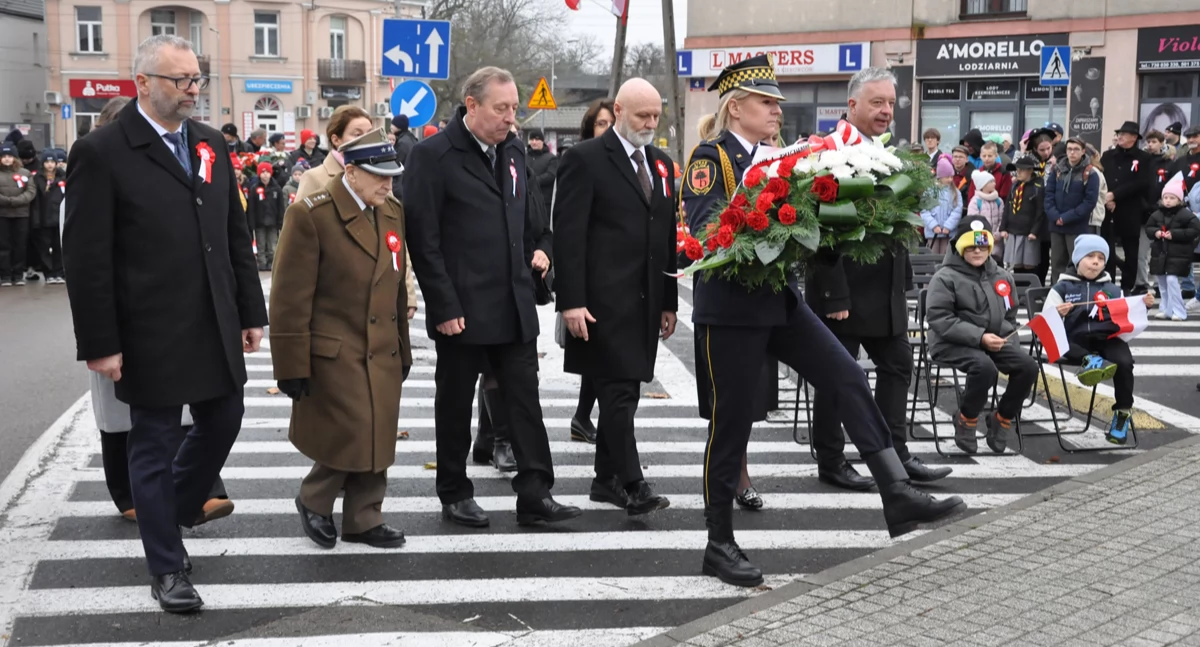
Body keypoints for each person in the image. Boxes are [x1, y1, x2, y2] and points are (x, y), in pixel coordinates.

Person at [682, 57, 964, 588]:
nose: (776, 110)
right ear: (736, 108)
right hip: (732, 312)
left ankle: (896, 490)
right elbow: (706, 232)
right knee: (732, 423)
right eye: (766, 102)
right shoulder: (711, 158)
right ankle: (719, 543)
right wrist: (775, 210)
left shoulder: (782, 157)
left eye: (777, 103)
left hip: (781, 301)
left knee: (847, 376)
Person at [62, 34, 267, 613]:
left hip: (213, 318)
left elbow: (232, 234)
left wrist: (250, 310)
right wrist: (100, 343)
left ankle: (169, 511)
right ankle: (167, 567)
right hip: (147, 328)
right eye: (180, 80)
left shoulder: (208, 142)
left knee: (225, 417)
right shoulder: (102, 151)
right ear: (143, 83)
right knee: (151, 442)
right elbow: (86, 258)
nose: (192, 90)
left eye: (197, 78)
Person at [403, 66, 578, 529]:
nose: (510, 117)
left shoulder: (514, 151)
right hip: (462, 308)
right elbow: (424, 240)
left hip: (514, 304)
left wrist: (542, 250)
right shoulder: (433, 156)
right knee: (455, 403)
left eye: (514, 108)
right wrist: (443, 305)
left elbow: (534, 222)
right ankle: (454, 491)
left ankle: (536, 493)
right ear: (472, 105)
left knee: (524, 401)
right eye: (501, 108)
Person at [809, 66, 953, 488]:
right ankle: (831, 460)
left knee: (898, 365)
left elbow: (896, 223)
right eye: (877, 102)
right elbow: (819, 228)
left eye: (890, 103)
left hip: (884, 290)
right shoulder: (829, 151)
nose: (886, 110)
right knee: (837, 377)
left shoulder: (889, 152)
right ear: (852, 104)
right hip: (843, 290)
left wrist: (902, 280)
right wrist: (833, 293)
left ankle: (896, 456)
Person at [270, 128, 411, 550]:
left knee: (379, 429)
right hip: (334, 347)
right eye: (379, 176)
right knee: (353, 429)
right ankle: (314, 498)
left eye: (392, 176)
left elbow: (396, 286)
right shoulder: (312, 214)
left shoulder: (391, 211)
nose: (387, 184)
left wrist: (403, 346)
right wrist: (290, 365)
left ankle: (364, 517)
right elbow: (289, 298)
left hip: (381, 343)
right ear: (351, 172)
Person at [554, 78, 676, 515]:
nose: (650, 123)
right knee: (617, 394)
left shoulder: (661, 164)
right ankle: (633, 484)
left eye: (656, 116)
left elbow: (666, 235)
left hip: (645, 302)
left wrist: (668, 300)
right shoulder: (585, 159)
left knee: (626, 392)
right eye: (643, 115)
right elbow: (568, 236)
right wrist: (570, 301)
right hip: (600, 304)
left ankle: (604, 480)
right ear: (619, 111)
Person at [927, 217, 1037, 454]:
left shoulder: (1002, 276)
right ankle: (966, 418)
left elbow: (1010, 315)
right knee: (985, 367)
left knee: (1027, 366)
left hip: (992, 341)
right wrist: (980, 337)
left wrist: (1007, 339)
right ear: (960, 247)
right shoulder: (945, 277)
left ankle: (1002, 418)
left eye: (983, 246)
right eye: (971, 247)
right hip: (950, 342)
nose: (978, 251)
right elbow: (939, 318)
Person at [1045, 235, 1155, 444]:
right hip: (1074, 339)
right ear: (1078, 260)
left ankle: (1122, 412)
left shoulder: (1111, 289)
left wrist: (1144, 306)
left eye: (1101, 258)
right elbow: (1045, 322)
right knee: (1062, 343)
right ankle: (1090, 361)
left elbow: (1126, 314)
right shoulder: (1062, 287)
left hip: (1106, 338)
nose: (1096, 262)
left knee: (1124, 362)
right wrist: (1057, 313)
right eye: (1090, 256)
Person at [562, 98, 617, 445]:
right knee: (596, 355)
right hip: (590, 278)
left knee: (601, 359)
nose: (607, 129)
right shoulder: (581, 159)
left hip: (616, 279)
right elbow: (569, 227)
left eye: (612, 123)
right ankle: (584, 418)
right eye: (601, 123)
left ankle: (583, 417)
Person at [1099, 122, 1152, 294]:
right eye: (1119, 133)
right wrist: (1107, 197)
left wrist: (1116, 195)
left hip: (1130, 209)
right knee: (1107, 247)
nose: (1119, 136)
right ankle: (1109, 282)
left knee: (1131, 250)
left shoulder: (1143, 158)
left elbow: (1141, 182)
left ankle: (1127, 285)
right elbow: (1102, 177)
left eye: (1124, 134)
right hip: (1108, 209)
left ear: (1134, 137)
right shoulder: (1108, 155)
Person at [1045, 137, 1100, 284]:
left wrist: (1067, 217)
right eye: (1069, 149)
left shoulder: (1090, 173)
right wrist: (1055, 216)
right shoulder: (1057, 170)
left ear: (1083, 151)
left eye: (1076, 149)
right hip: (1056, 225)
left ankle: (1075, 290)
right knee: (1056, 263)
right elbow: (1048, 195)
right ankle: (1056, 290)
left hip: (1076, 226)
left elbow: (1089, 202)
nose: (1072, 152)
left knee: (1076, 262)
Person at [1147, 174, 1200, 321]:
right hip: (1160, 252)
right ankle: (1166, 309)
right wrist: (1156, 232)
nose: (1168, 201)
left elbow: (1195, 230)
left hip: (1177, 253)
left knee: (1171, 280)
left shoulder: (1185, 214)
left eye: (1172, 198)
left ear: (1179, 200)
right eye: (1166, 197)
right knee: (1162, 282)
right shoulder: (1157, 214)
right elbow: (1149, 227)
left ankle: (1179, 310)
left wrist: (1175, 234)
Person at [1000, 155, 1046, 274]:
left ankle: (1030, 284)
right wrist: (1003, 227)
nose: (1018, 172)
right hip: (1013, 230)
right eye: (1017, 169)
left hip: (1028, 232)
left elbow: (1040, 211)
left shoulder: (1037, 187)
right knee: (1016, 263)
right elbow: (1007, 207)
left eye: (1022, 170)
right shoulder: (1015, 186)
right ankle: (1017, 285)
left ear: (1030, 171)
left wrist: (1035, 231)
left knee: (1029, 264)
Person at [0, 142, 35, 286]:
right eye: (4, 156)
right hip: (2, 214)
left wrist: (16, 201)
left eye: (10, 156)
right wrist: (7, 201)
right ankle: (5, 275)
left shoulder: (25, 173)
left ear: (15, 157)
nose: (7, 159)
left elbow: (31, 192)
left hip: (21, 215)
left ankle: (18, 274)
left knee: (20, 245)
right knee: (4, 246)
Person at [31, 152, 66, 284]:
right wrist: (36, 220)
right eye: (47, 162)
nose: (50, 165)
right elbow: (36, 202)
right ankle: (49, 273)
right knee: (44, 249)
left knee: (59, 248)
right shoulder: (38, 178)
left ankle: (59, 272)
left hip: (59, 219)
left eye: (52, 162)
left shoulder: (63, 177)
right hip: (44, 218)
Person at [248, 161, 286, 271]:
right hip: (259, 222)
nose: (265, 175)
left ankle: (272, 263)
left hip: (273, 222)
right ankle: (262, 263)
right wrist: (251, 223)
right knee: (260, 244)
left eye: (267, 172)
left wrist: (280, 221)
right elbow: (252, 207)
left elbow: (280, 207)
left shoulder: (276, 188)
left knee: (272, 245)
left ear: (271, 173)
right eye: (262, 172)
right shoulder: (254, 189)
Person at [921, 156, 961, 255]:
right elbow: (924, 210)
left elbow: (957, 210)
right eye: (947, 177)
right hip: (933, 232)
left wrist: (948, 226)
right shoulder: (929, 191)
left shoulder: (955, 192)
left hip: (948, 232)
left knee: (946, 256)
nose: (950, 179)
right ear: (940, 177)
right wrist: (933, 225)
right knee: (932, 256)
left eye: (951, 177)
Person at [967, 170, 1005, 263]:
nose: (994, 183)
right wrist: (987, 238)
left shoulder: (999, 201)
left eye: (994, 181)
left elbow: (1002, 219)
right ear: (983, 185)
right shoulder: (975, 202)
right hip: (981, 241)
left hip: (996, 241)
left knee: (996, 262)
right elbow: (974, 222)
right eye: (991, 182)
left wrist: (997, 235)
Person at [526, 129, 558, 210]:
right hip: (526, 200)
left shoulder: (551, 158)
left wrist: (532, 181)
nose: (534, 142)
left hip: (544, 201)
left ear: (542, 141)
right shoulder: (524, 157)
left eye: (537, 139)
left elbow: (551, 175)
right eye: (532, 139)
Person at [389, 115, 417, 199]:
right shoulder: (411, 138)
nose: (391, 126)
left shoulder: (402, 143)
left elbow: (398, 163)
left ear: (399, 127)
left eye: (393, 124)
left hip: (401, 184)